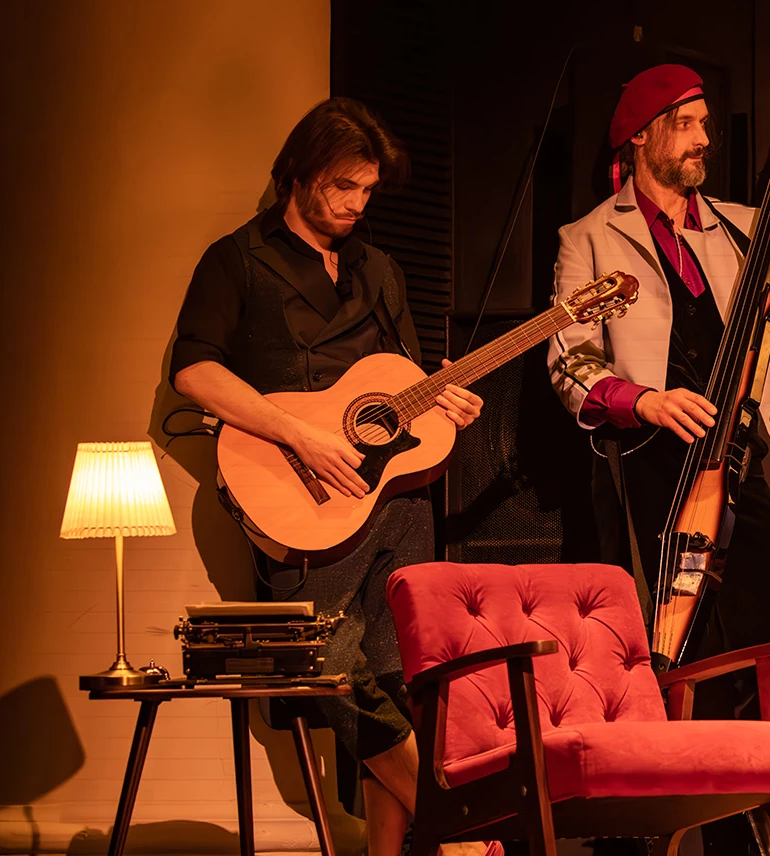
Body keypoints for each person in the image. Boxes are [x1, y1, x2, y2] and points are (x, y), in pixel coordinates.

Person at [543, 63, 770, 852]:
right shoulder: (587, 238)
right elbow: (570, 362)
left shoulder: (743, 226)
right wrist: (645, 401)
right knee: (663, 663)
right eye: (685, 124)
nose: (703, 139)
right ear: (640, 136)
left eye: (704, 124)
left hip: (737, 474)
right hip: (646, 471)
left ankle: (757, 840)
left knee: (764, 656)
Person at [170, 97, 484, 856]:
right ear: (299, 173)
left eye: (367, 190)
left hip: (395, 499)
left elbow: (402, 388)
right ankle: (458, 829)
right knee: (330, 663)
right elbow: (193, 371)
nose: (356, 204)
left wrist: (448, 399)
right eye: (343, 186)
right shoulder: (238, 259)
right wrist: (299, 436)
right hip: (302, 498)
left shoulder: (379, 269)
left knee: (398, 674)